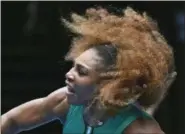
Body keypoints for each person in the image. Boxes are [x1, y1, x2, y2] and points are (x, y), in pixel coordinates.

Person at [1, 6, 177, 134]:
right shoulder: (65, 101)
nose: (69, 75)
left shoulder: (140, 130)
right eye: (73, 67)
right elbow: (11, 121)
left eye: (82, 72)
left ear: (109, 84)